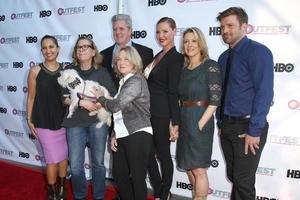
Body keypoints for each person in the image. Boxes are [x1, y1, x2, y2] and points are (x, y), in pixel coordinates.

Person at [216, 7, 274, 200]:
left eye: (230, 26)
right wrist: (220, 123)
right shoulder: (224, 58)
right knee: (235, 177)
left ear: (244, 26)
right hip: (227, 126)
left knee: (243, 181)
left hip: (247, 127)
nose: (225, 30)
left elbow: (264, 93)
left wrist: (254, 130)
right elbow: (223, 93)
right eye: (223, 26)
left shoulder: (259, 52)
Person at [93, 46, 153, 200]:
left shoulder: (136, 80)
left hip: (138, 133)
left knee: (137, 177)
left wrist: (101, 97)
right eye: (118, 59)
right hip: (123, 134)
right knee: (119, 176)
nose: (121, 62)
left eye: (126, 58)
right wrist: (114, 134)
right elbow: (119, 114)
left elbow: (116, 106)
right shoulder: (123, 82)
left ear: (134, 61)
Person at [62, 37, 116, 200]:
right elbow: (64, 98)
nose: (81, 49)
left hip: (97, 122)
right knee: (76, 166)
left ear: (94, 52)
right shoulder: (69, 71)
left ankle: (99, 196)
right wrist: (81, 102)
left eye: (86, 46)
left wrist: (100, 103)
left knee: (98, 164)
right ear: (75, 52)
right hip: (74, 123)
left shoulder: (102, 72)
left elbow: (112, 96)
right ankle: (80, 195)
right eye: (79, 47)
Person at [176, 27, 221, 200]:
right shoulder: (184, 69)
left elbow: (215, 100)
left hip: (200, 118)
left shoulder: (210, 66)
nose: (189, 45)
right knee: (189, 167)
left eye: (193, 41)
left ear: (200, 43)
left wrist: (200, 124)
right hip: (185, 117)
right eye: (186, 41)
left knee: (199, 169)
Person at [145, 17, 184, 200]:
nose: (161, 35)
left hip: (162, 115)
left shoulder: (176, 58)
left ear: (174, 31)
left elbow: (173, 91)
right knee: (147, 155)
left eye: (165, 31)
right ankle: (162, 189)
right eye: (158, 32)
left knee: (163, 155)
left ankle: (163, 193)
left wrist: (174, 122)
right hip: (147, 114)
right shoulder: (158, 55)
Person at [26, 35, 68, 200]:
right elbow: (31, 97)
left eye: (51, 47)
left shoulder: (66, 71)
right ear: (41, 51)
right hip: (43, 121)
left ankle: (63, 189)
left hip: (64, 122)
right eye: (44, 47)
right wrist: (29, 120)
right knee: (51, 160)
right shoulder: (35, 71)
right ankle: (52, 193)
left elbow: (73, 95)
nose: (48, 50)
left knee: (63, 157)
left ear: (58, 48)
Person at [101, 14, 153, 88]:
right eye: (115, 29)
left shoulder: (146, 53)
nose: (117, 32)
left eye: (121, 29)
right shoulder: (103, 55)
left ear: (130, 31)